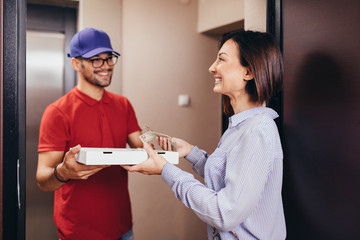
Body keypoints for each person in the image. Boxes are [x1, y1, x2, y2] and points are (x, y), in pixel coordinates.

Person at [124, 30, 286, 239]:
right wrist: (190, 152)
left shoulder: (258, 130)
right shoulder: (240, 127)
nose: (212, 68)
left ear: (248, 72)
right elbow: (228, 178)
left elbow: (224, 213)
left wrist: (166, 170)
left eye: (221, 59)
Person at [36, 27, 142, 240]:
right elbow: (43, 179)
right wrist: (64, 171)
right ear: (76, 63)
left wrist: (160, 145)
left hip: (122, 228)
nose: (106, 66)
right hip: (77, 232)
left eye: (109, 58)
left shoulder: (123, 105)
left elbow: (141, 147)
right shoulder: (57, 112)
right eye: (96, 59)